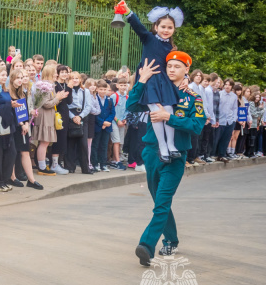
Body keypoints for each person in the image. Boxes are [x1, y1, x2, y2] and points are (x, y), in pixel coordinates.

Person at [128, 53, 204, 266]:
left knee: (161, 203)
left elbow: (197, 126)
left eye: (177, 66)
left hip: (176, 155)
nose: (171, 70)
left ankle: (147, 246)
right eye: (169, 66)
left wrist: (169, 117)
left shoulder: (193, 97)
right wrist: (142, 80)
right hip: (152, 153)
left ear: (186, 70)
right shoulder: (156, 90)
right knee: (160, 202)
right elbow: (133, 106)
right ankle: (171, 238)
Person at [117, 1, 184, 162]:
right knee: (155, 112)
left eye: (170, 28)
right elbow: (138, 26)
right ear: (156, 27)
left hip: (165, 82)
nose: (166, 30)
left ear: (174, 29)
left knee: (168, 111)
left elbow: (178, 66)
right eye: (163, 27)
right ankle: (162, 146)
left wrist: (184, 77)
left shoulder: (171, 48)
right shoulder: (148, 38)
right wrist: (127, 12)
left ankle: (171, 144)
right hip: (150, 81)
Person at [8, 70, 43, 190]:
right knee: (12, 152)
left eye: (22, 77)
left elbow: (24, 110)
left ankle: (31, 179)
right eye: (19, 77)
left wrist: (27, 123)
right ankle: (11, 176)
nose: (21, 79)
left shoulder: (23, 93)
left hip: (23, 125)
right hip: (14, 125)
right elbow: (13, 111)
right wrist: (22, 123)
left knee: (25, 151)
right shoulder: (10, 92)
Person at [31, 64, 59, 176]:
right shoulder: (45, 86)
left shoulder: (50, 85)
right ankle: (42, 167)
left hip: (48, 116)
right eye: (55, 72)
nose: (57, 74)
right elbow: (46, 104)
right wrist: (58, 98)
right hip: (44, 116)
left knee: (45, 142)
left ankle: (42, 165)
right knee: (44, 142)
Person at [65, 72, 93, 174]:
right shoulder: (68, 90)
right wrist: (73, 117)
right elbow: (66, 106)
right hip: (71, 115)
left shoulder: (85, 91)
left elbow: (88, 106)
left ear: (80, 79)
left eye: (77, 78)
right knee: (70, 143)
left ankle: (85, 168)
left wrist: (80, 116)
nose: (75, 80)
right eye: (72, 78)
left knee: (83, 144)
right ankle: (69, 167)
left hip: (82, 116)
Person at [51, 65, 73, 175]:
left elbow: (69, 101)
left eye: (66, 72)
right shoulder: (55, 85)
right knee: (57, 139)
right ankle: (54, 163)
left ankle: (58, 162)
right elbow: (57, 100)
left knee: (62, 139)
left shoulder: (67, 85)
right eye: (62, 72)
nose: (64, 74)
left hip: (65, 114)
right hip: (56, 114)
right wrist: (67, 89)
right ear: (58, 73)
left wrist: (69, 88)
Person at [91, 79, 116, 172]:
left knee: (104, 145)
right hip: (98, 126)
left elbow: (112, 113)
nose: (102, 91)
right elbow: (94, 113)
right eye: (100, 89)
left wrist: (107, 122)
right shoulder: (94, 98)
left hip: (107, 126)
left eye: (104, 89)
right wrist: (102, 123)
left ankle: (103, 164)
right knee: (95, 144)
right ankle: (95, 163)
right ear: (97, 89)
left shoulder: (109, 100)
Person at [213, 78, 238, 162]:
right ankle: (213, 154)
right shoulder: (220, 94)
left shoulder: (234, 96)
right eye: (226, 84)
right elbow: (216, 107)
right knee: (217, 138)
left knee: (226, 139)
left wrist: (234, 119)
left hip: (230, 120)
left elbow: (235, 108)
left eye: (229, 85)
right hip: (220, 120)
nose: (227, 86)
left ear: (232, 86)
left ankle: (221, 155)